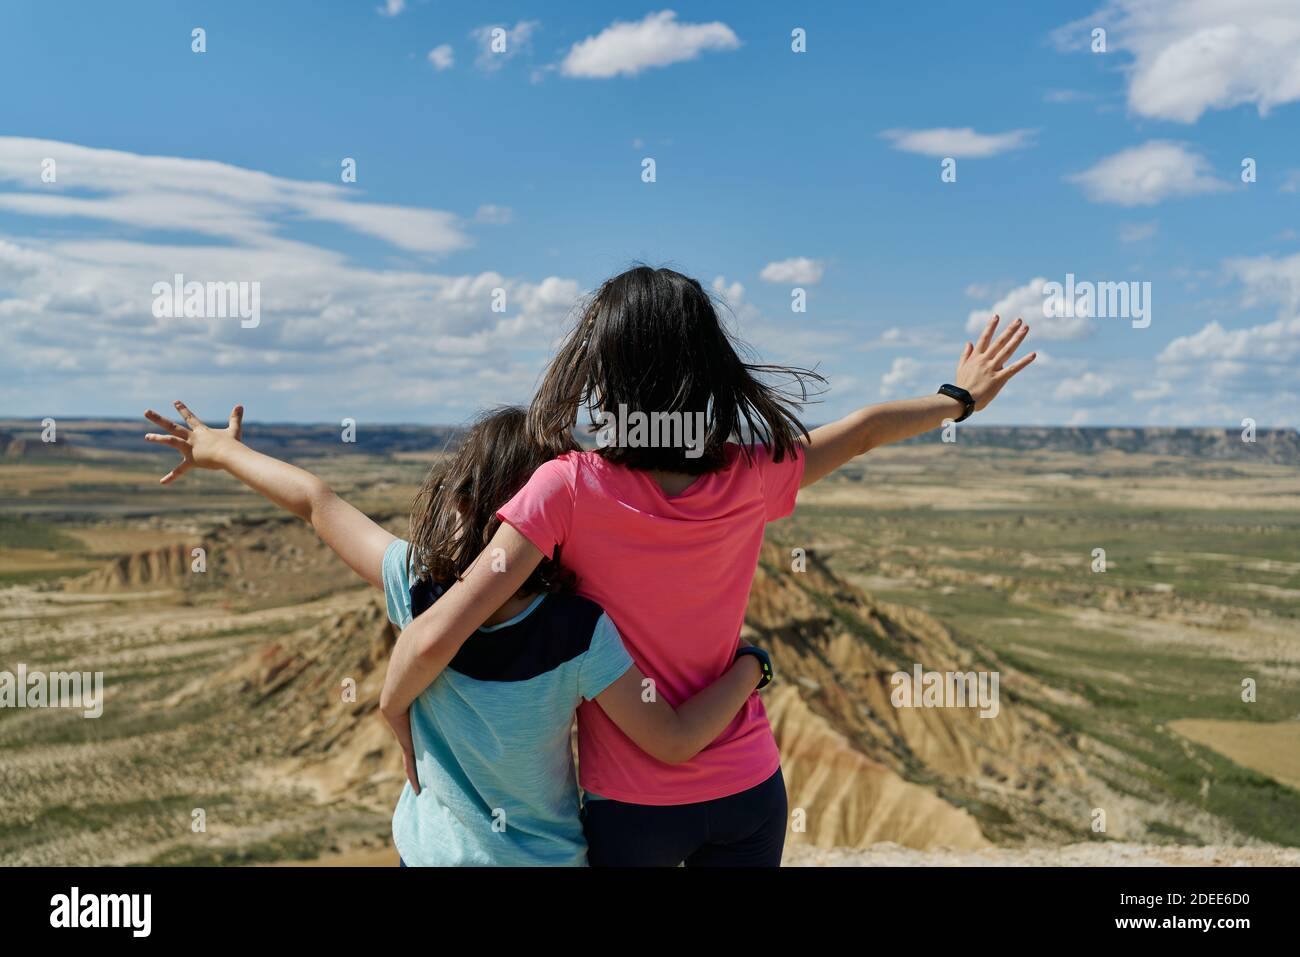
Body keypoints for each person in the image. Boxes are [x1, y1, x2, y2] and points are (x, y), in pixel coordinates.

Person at [378, 265, 1034, 866]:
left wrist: (398, 715)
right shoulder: (752, 474)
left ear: (607, 374)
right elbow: (863, 430)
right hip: (750, 790)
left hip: (633, 810)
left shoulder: (565, 488)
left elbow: (441, 629)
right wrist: (958, 399)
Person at [143, 401, 772, 866]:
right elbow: (674, 740)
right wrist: (750, 666)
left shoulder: (414, 584)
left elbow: (315, 501)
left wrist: (222, 451)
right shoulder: (580, 631)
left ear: (463, 499)